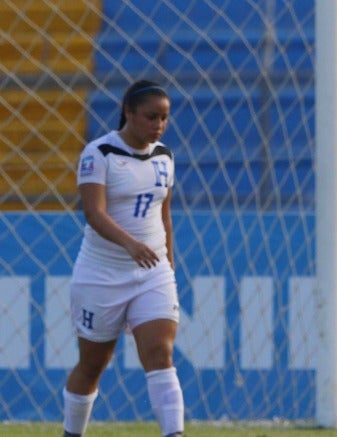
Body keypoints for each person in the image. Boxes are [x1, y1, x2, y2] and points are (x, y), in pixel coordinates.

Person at [62, 80, 184, 437]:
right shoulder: (98, 154)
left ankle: (174, 433)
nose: (158, 125)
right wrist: (131, 245)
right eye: (151, 117)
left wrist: (169, 263)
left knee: (161, 354)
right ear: (128, 113)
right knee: (92, 365)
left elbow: (165, 215)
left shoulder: (165, 156)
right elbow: (94, 214)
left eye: (164, 118)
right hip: (101, 274)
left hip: (153, 272)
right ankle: (73, 433)